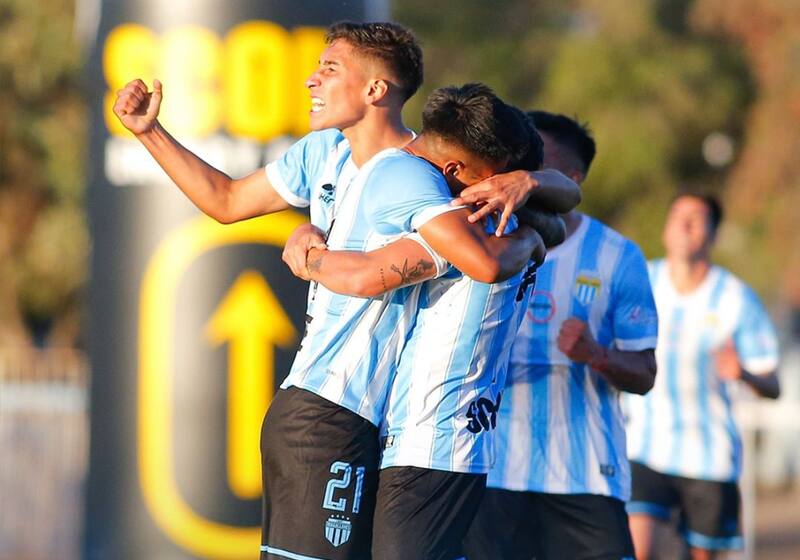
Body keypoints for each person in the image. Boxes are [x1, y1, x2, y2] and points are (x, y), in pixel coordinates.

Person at [114, 21, 577, 560]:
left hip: (374, 422)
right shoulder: (327, 153)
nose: (311, 80)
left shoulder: (426, 176)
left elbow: (543, 219)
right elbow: (225, 201)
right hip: (331, 405)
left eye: (329, 68)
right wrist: (150, 132)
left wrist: (529, 185)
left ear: (376, 90)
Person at [282, 89, 572, 560]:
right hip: (426, 440)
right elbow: (562, 205)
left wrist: (307, 254)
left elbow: (360, 274)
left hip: (435, 440)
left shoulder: (477, 233)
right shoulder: (514, 229)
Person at [462, 111, 659, 560]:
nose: (519, 178)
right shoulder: (480, 242)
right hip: (493, 472)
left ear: (569, 179)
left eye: (536, 169)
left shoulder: (617, 256)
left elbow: (645, 374)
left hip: (584, 476)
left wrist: (596, 354)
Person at [625, 193, 780, 560]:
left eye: (695, 218)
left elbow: (773, 384)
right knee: (638, 549)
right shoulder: (642, 279)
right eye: (677, 216)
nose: (683, 225)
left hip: (708, 455)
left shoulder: (735, 298)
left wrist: (741, 372)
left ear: (712, 234)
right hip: (644, 446)